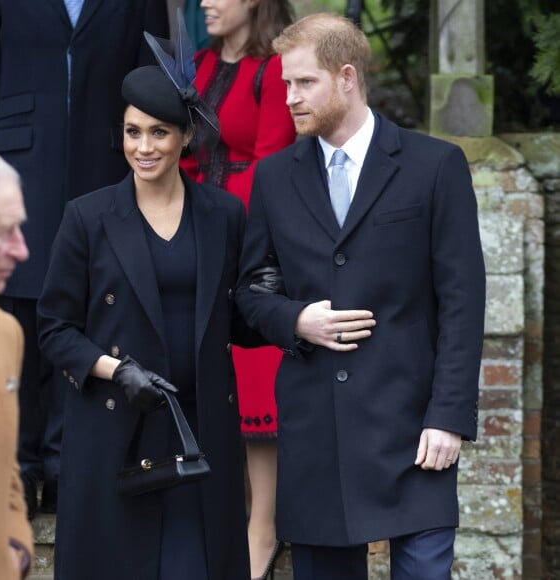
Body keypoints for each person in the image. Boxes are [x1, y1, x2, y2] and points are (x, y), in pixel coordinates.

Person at [235, 12, 486, 580]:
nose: (290, 98)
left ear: (346, 77)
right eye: (285, 86)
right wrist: (296, 319)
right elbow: (249, 293)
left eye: (304, 83)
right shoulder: (274, 178)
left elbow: (463, 304)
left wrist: (448, 416)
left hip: (414, 431)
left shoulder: (434, 166)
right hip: (315, 431)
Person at [36, 25, 261, 578]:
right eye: (132, 132)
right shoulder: (86, 217)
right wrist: (116, 370)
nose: (143, 147)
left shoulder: (224, 216)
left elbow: (240, 318)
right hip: (116, 429)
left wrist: (287, 309)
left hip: (200, 430)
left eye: (158, 132)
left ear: (185, 137)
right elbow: (54, 328)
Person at [0, 0, 170, 519]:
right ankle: (17, 469)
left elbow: (152, 79)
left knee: (88, 314)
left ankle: (68, 470)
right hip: (18, 165)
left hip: (104, 163)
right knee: (19, 313)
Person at [181, 1, 295, 577]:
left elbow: (275, 162)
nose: (206, 1)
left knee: (256, 381)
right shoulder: (197, 63)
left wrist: (232, 233)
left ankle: (264, 527)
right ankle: (228, 520)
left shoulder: (274, 69)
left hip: (251, 240)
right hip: (197, 233)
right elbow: (184, 157)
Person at [0, 147, 32, 579]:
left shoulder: (5, 333)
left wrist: (18, 546)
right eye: (5, 232)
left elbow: (5, 466)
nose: (22, 251)